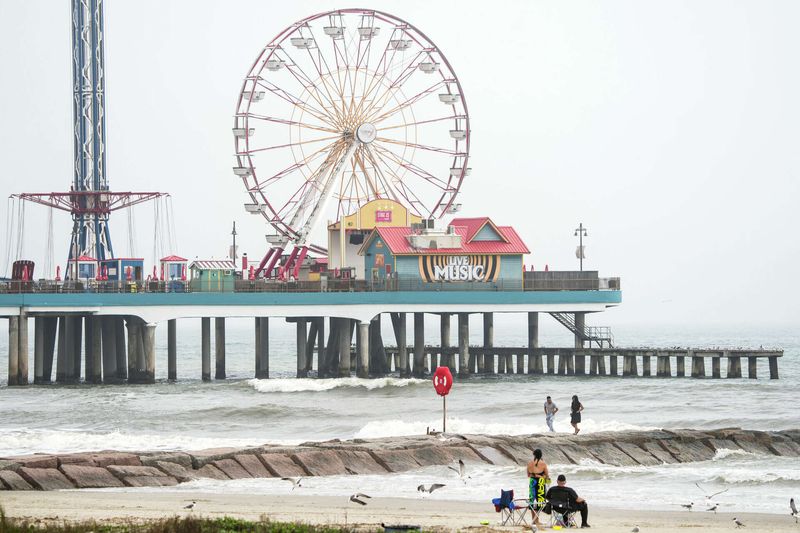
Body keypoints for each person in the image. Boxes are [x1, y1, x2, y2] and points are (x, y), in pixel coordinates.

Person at [526, 449, 549, 525]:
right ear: (541, 455)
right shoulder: (543, 463)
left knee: (532, 501)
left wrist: (534, 475)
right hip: (540, 483)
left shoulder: (529, 463)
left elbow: (528, 475)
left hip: (532, 482)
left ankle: (534, 520)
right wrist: (540, 475)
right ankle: (537, 521)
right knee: (540, 502)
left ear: (534, 454)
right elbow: (547, 476)